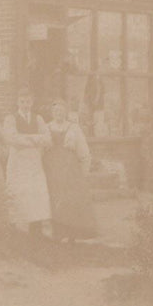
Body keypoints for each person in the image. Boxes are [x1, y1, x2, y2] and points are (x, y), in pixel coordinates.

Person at [44, 97, 97, 242]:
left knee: (70, 199)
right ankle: (58, 232)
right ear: (52, 112)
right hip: (52, 168)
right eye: (56, 110)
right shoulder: (46, 127)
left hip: (70, 168)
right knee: (55, 198)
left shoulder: (73, 127)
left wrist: (83, 171)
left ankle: (71, 233)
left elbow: (83, 150)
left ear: (66, 112)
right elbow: (41, 149)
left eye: (61, 110)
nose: (58, 113)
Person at [2, 87, 52, 238]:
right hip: (18, 162)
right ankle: (17, 229)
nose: (25, 104)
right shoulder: (10, 118)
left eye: (28, 102)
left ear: (32, 102)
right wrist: (35, 139)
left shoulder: (38, 118)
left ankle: (35, 229)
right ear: (18, 102)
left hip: (34, 161)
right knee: (18, 191)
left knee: (35, 192)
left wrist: (25, 139)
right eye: (22, 101)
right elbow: (11, 138)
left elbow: (47, 138)